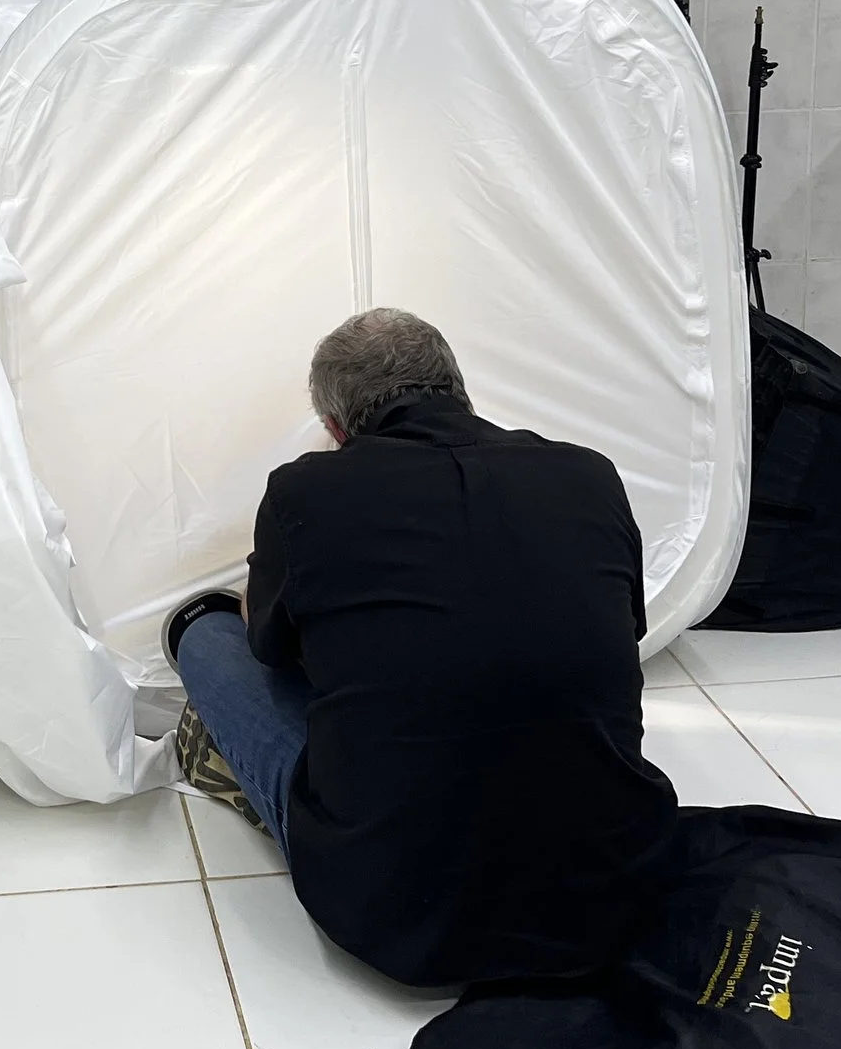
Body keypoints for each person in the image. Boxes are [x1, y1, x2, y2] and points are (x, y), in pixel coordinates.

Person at [164, 307, 678, 989]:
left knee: (205, 634)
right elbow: (618, 630)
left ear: (336, 428)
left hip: (402, 915)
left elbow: (270, 651)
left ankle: (262, 779)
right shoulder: (589, 475)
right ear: (460, 389)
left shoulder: (305, 492)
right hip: (611, 888)